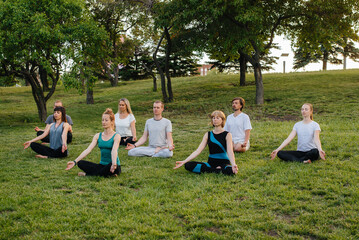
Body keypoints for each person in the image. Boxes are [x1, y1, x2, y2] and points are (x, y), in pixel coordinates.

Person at [174, 110, 238, 175]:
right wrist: (184, 161)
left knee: (231, 170)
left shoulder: (227, 134)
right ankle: (216, 170)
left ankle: (213, 170)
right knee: (188, 165)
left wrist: (233, 164)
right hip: (210, 163)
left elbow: (230, 151)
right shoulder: (208, 134)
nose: (215, 120)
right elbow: (198, 151)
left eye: (217, 118)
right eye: (213, 118)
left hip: (224, 163)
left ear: (222, 120)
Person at [65, 108, 121, 177]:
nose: (103, 122)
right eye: (102, 120)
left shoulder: (116, 136)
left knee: (108, 167)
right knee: (81, 163)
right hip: (101, 165)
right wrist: (74, 162)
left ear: (112, 121)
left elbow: (114, 151)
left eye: (106, 120)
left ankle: (87, 175)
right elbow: (88, 150)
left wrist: (114, 164)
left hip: (113, 165)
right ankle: (107, 174)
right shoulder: (98, 136)